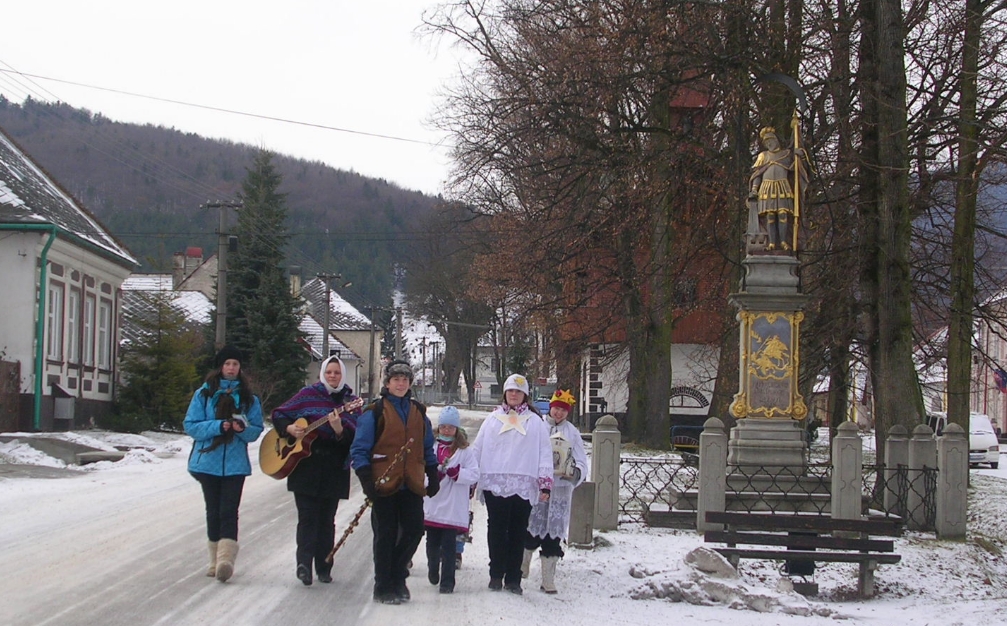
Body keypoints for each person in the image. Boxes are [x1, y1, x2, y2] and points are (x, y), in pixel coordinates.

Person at [350, 360, 438, 605]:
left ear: (410, 384)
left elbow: (427, 446)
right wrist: (367, 481)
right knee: (385, 534)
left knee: (414, 529)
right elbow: (359, 450)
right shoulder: (375, 412)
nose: (400, 384)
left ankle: (398, 575)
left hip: (411, 483)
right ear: (387, 383)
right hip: (383, 483)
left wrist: (433, 474)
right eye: (396, 379)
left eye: (405, 379)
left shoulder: (418, 412)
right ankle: (383, 585)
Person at [270, 355, 361, 586]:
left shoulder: (351, 402)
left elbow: (355, 437)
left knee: (327, 520)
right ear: (322, 374)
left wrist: (339, 430)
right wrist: (289, 428)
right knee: (307, 518)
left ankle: (324, 565)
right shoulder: (308, 395)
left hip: (333, 466)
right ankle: (304, 565)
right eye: (329, 372)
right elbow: (280, 414)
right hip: (305, 466)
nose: (332, 376)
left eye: (337, 373)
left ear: (343, 376)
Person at [183, 345, 264, 583]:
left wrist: (241, 429)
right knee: (214, 511)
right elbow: (191, 425)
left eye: (235, 364)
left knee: (229, 511)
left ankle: (226, 560)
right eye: (227, 364)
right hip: (207, 462)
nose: (231, 368)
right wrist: (218, 426)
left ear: (240, 368)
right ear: (220, 367)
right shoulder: (204, 394)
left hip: (235, 465)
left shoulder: (250, 399)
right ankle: (213, 560)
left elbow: (255, 431)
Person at [471, 373, 553, 595]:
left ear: (525, 394)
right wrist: (471, 477)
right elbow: (478, 448)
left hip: (523, 483)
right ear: (505, 394)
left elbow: (545, 453)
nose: (514, 395)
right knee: (497, 528)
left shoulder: (536, 423)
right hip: (495, 481)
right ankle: (496, 573)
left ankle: (513, 578)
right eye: (510, 391)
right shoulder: (492, 419)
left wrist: (545, 483)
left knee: (518, 530)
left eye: (518, 391)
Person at [522, 388, 589, 594]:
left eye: (563, 410)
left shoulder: (572, 432)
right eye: (556, 409)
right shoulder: (537, 426)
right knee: (532, 527)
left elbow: (580, 458)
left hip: (560, 489)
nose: (558, 413)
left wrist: (575, 472)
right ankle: (522, 565)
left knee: (554, 534)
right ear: (550, 408)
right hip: (538, 486)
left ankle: (548, 578)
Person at [423, 406, 479, 594]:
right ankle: (432, 568)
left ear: (456, 429)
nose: (447, 430)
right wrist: (430, 478)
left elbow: (474, 474)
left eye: (451, 427)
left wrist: (458, 474)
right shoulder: (430, 447)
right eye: (444, 426)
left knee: (449, 546)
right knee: (432, 543)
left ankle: (448, 582)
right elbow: (420, 469)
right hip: (433, 503)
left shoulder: (464, 451)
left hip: (452, 507)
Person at [748, 126, 810, 253]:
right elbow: (757, 174)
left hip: (782, 186)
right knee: (770, 215)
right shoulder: (763, 156)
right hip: (767, 187)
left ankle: (783, 241)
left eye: (771, 140)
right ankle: (771, 242)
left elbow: (798, 168)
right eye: (766, 142)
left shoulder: (787, 154)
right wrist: (754, 189)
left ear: (776, 140)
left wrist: (801, 156)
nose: (769, 143)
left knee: (783, 214)